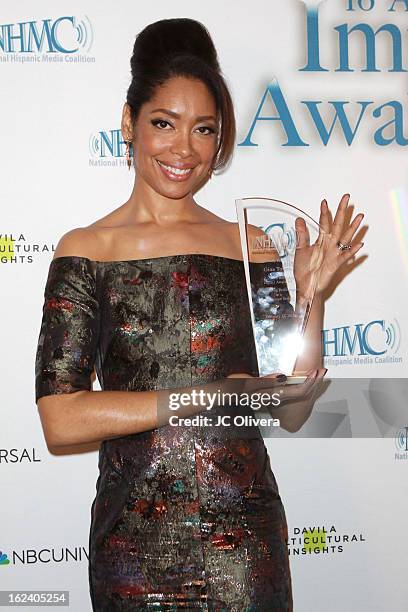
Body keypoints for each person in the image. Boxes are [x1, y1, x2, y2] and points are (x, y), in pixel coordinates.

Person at [34, 18, 365, 611]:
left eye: (203, 130)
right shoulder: (86, 250)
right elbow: (61, 420)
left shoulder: (251, 244)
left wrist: (311, 297)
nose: (183, 148)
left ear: (220, 139)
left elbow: (288, 408)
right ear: (128, 122)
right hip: (132, 545)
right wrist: (204, 396)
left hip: (244, 543)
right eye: (164, 123)